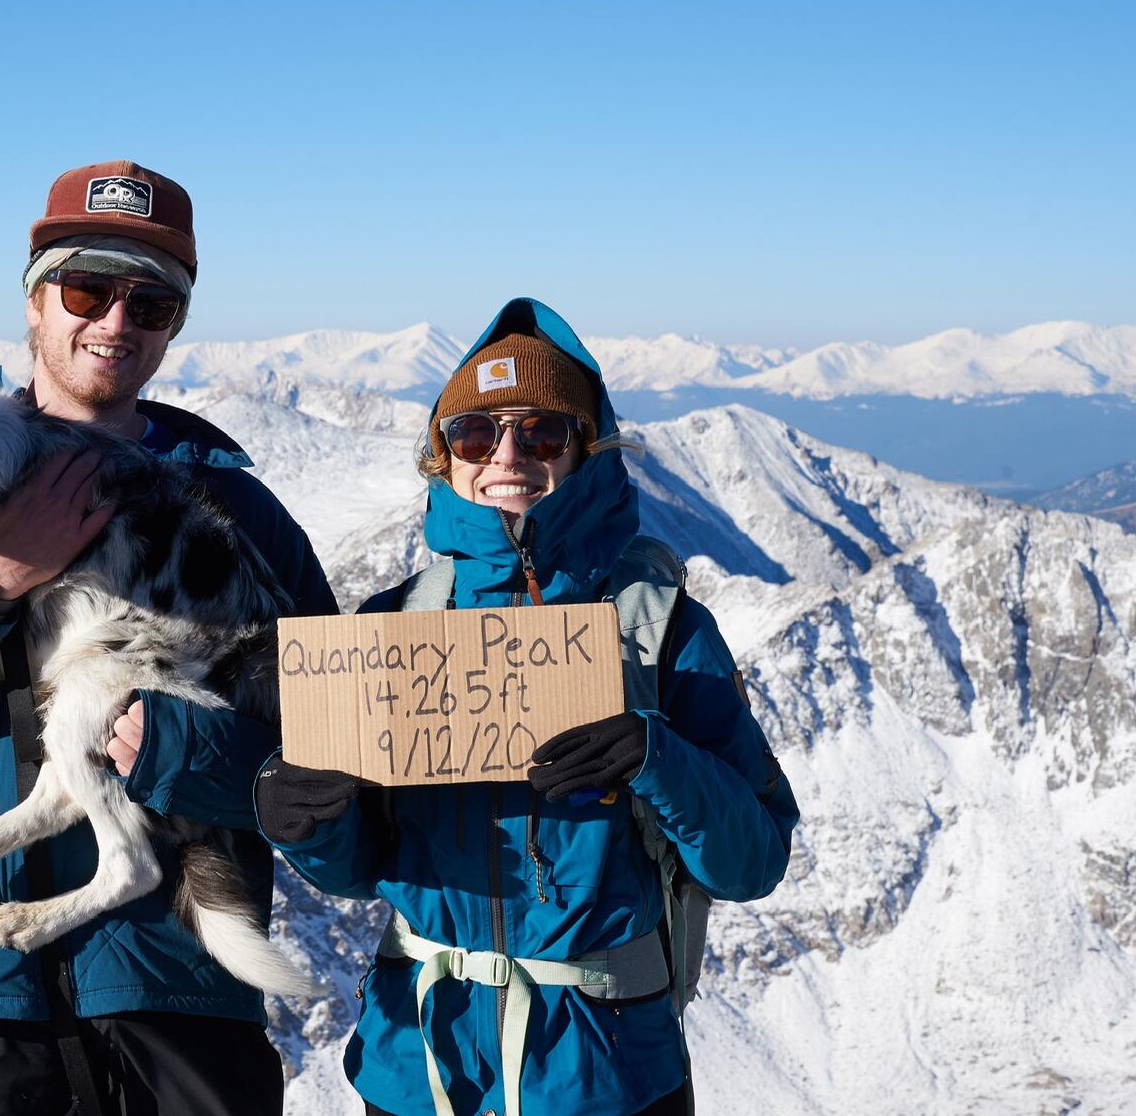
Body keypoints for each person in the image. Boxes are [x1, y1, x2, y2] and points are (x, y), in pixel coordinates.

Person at [0, 160, 339, 1115]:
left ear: (174, 326)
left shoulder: (236, 508)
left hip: (174, 986)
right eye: (88, 289)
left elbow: (327, 732)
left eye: (152, 304)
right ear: (35, 303)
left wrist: (180, 751)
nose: (116, 323)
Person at [255, 297, 798, 1116]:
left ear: (586, 450)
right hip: (423, 1064)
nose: (507, 453)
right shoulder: (393, 624)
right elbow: (364, 864)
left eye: (542, 432)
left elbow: (753, 861)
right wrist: (302, 816)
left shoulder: (661, 629)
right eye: (477, 434)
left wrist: (657, 758)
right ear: (444, 457)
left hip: (604, 1073)